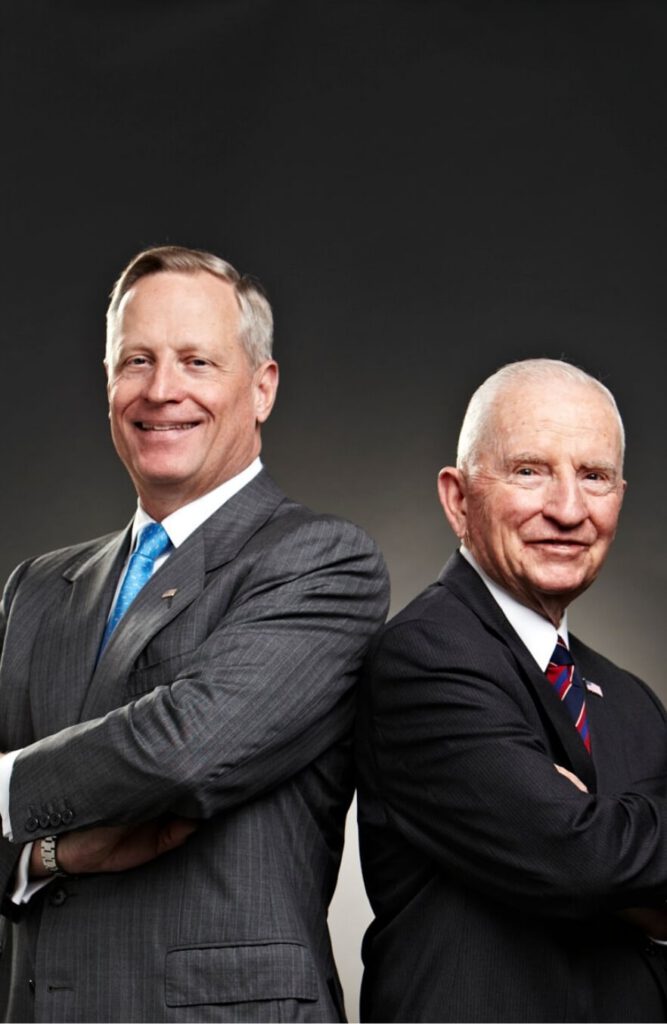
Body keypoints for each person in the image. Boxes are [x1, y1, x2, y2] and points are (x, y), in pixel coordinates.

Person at [0, 245, 389, 1023]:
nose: (161, 390)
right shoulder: (37, 590)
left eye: (196, 361)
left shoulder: (321, 561)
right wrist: (52, 853)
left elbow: (185, 749)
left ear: (263, 387)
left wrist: (3, 789)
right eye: (135, 360)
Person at [356, 358, 667, 1023]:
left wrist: (608, 840)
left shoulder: (632, 701)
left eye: (593, 476)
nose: (567, 509)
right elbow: (582, 858)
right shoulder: (424, 656)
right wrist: (606, 850)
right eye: (529, 471)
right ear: (457, 498)